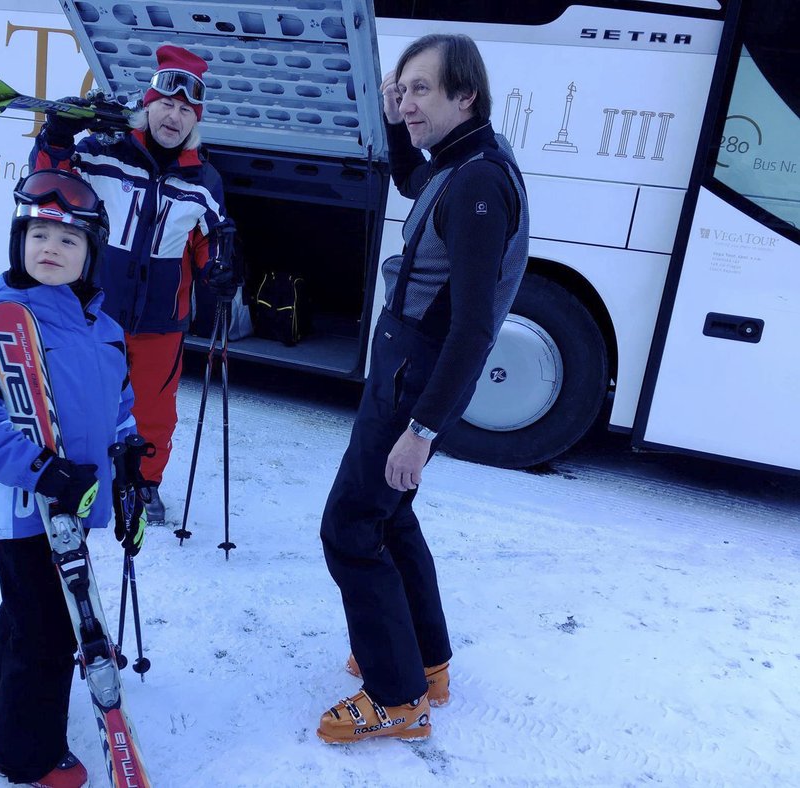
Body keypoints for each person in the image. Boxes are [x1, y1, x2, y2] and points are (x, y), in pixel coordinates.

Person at [316, 34, 530, 744]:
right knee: (390, 514)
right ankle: (426, 662)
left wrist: (423, 429)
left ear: (465, 94)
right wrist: (387, 114)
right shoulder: (461, 162)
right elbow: (411, 180)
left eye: (421, 91)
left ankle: (397, 695)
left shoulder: (478, 183)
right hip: (405, 362)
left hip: (417, 375)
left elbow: (472, 328)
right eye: (401, 89)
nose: (407, 104)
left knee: (349, 527)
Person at [0, 169, 140, 787]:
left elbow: (120, 404)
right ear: (18, 244)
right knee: (51, 630)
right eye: (37, 235)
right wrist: (40, 470)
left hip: (76, 501)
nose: (50, 248)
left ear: (91, 257)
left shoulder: (105, 331)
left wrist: (130, 459)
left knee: (29, 603)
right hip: (24, 506)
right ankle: (23, 755)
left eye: (68, 239)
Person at [30, 44, 236, 526]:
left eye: (186, 109)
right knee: (81, 392)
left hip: (161, 319)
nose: (174, 115)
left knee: (154, 408)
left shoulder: (204, 179)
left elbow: (212, 237)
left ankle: (143, 483)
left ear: (195, 120)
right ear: (148, 105)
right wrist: (57, 137)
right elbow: (46, 180)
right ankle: (70, 472)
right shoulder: (103, 155)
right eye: (166, 102)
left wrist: (217, 268)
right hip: (94, 308)